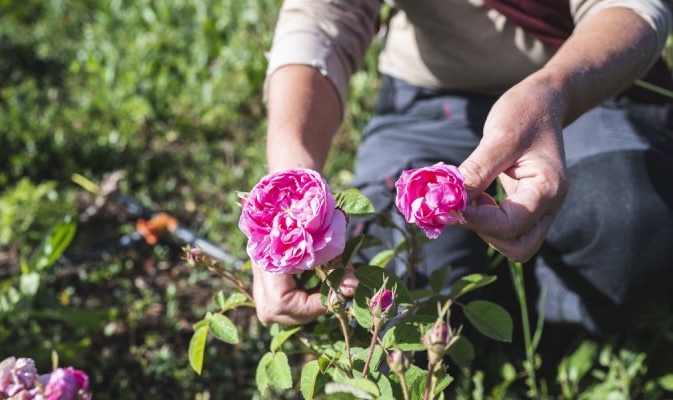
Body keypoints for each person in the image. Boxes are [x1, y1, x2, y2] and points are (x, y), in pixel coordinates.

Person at [252, 0, 673, 333]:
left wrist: (554, 93)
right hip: (431, 97)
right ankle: (482, 293)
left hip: (574, 85)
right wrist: (290, 194)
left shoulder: (564, 88)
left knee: (632, 222)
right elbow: (321, 17)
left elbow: (630, 7)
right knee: (382, 282)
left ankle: (536, 309)